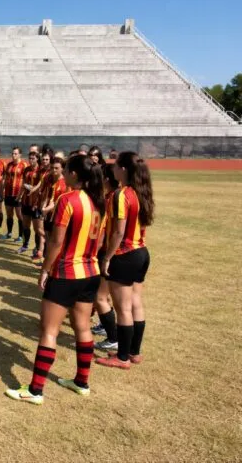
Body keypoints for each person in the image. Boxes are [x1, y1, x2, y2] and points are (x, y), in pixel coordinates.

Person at [5, 155, 104, 404]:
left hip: (67, 273)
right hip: (91, 272)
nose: (64, 172)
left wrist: (45, 270)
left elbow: (56, 241)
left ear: (74, 175)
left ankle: (36, 390)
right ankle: (82, 381)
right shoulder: (97, 202)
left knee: (49, 330)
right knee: (82, 327)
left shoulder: (67, 200)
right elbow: (99, 241)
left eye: (67, 168)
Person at [96, 152, 154, 369]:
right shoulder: (141, 192)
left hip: (125, 254)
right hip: (141, 252)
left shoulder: (121, 194)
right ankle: (134, 352)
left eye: (117, 165)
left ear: (124, 170)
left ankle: (121, 358)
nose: (113, 169)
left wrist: (107, 257)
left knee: (123, 309)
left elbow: (118, 232)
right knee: (136, 303)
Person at [92, 163, 120, 348]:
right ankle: (109, 331)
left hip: (109, 253)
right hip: (115, 253)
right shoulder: (112, 196)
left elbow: (102, 231)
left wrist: (97, 254)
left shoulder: (111, 199)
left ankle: (113, 338)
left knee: (100, 297)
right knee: (107, 297)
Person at [39, 157, 69, 265]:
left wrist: (45, 209)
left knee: (54, 241)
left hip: (57, 217)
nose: (54, 170)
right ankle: (48, 261)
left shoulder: (64, 184)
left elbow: (58, 202)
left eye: (57, 168)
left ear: (62, 169)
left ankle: (53, 264)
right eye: (52, 168)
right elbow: (47, 197)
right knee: (47, 239)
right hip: (48, 215)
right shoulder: (50, 180)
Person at [16, 151, 41, 254]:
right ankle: (25, 245)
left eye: (33, 158)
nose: (31, 160)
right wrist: (18, 197)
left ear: (37, 159)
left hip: (36, 203)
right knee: (26, 225)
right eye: (30, 158)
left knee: (37, 228)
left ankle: (37, 248)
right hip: (26, 201)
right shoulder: (26, 170)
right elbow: (23, 184)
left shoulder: (41, 171)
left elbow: (41, 185)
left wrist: (33, 189)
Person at [1, 147, 27, 242]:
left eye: (16, 153)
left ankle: (20, 235)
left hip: (18, 194)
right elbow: (5, 179)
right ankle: (9, 233)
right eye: (12, 153)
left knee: (19, 215)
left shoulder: (24, 165)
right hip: (8, 194)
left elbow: (26, 181)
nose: (13, 155)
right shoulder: (9, 165)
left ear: (20, 155)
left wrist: (22, 194)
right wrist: (2, 190)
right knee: (9, 214)